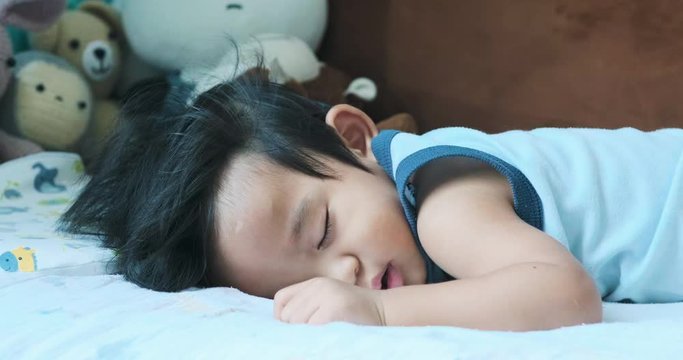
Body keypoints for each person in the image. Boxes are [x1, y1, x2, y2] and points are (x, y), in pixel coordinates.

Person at [60, 73, 683, 331]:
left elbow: (566, 295)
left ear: (356, 139)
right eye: (296, 281)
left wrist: (379, 313)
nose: (341, 276)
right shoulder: (402, 221)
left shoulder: (442, 195)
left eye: (323, 231)